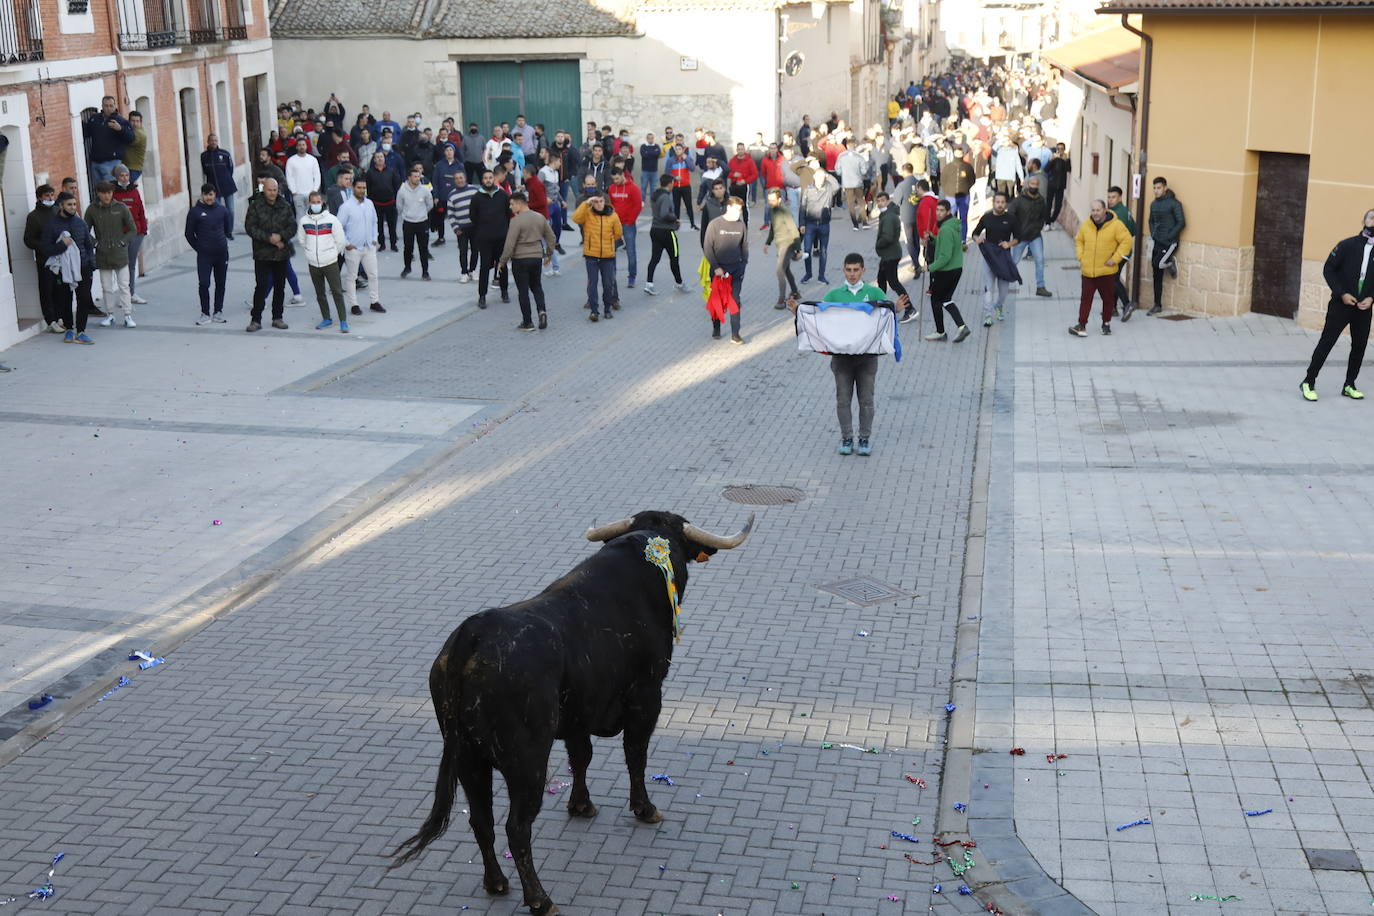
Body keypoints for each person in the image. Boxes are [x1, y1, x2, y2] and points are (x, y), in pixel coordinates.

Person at [787, 253, 909, 456]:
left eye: (856, 270)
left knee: (866, 400)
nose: (852, 274)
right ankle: (846, 438)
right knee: (843, 400)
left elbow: (885, 318)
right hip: (842, 359)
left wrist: (894, 310)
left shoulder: (875, 293)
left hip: (867, 359)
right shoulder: (833, 296)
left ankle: (864, 438)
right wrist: (800, 313)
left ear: (863, 271)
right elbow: (820, 321)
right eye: (849, 270)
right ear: (844, 270)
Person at [1300, 209, 1374, 402]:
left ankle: (1349, 384)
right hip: (1341, 305)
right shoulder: (1347, 245)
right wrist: (1342, 293)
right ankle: (1308, 381)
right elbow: (1329, 269)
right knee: (1327, 341)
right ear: (1364, 220)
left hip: (1363, 308)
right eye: (1372, 217)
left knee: (1359, 346)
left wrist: (1372, 298)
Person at [1069, 199, 1132, 337]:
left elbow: (1126, 241)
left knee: (1108, 299)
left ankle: (1106, 323)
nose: (1095, 213)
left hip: (1106, 271)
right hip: (1088, 271)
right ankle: (1082, 325)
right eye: (1093, 210)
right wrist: (1081, 256)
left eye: (1098, 210)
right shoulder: (1086, 225)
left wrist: (1115, 258)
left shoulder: (1116, 225)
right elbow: (1079, 240)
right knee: (1085, 299)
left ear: (1104, 210)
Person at [40, 192, 97, 344]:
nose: (73, 207)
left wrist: (91, 265)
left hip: (83, 267)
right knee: (65, 300)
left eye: (74, 204)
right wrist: (61, 245)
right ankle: (69, 329)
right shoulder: (51, 225)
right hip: (63, 269)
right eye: (69, 205)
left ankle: (81, 331)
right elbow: (45, 249)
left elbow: (88, 245)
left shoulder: (80, 223)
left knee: (83, 299)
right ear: (61, 206)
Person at [243, 177, 297, 332]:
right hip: (262, 254)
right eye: (269, 190)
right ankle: (256, 319)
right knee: (261, 286)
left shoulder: (285, 205)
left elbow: (292, 226)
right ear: (263, 190)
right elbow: (250, 227)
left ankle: (277, 317)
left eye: (274, 190)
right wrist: (269, 238)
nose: (272, 193)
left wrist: (281, 236)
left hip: (281, 253)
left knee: (280, 286)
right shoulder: (255, 206)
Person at [497, 191, 557, 331]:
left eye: (512, 204)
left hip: (520, 259)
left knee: (523, 291)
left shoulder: (516, 221)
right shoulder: (539, 217)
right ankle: (542, 311)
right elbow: (551, 237)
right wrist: (548, 254)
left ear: (519, 203)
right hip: (536, 257)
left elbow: (510, 244)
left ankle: (527, 322)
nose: (510, 207)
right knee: (537, 286)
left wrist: (503, 261)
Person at [85, 180, 137, 328]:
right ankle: (110, 315)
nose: (107, 196)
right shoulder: (92, 210)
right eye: (103, 193)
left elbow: (132, 229)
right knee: (106, 287)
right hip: (102, 254)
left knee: (124, 286)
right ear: (98, 194)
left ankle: (128, 315)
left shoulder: (121, 208)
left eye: (109, 192)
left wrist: (122, 242)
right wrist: (96, 243)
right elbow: (85, 230)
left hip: (120, 253)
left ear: (112, 193)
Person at [296, 190, 350, 332]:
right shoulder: (304, 222)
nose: (315, 205)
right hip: (313, 264)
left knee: (337, 292)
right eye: (313, 202)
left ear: (322, 203)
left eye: (318, 202)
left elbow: (340, 241)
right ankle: (326, 318)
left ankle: (343, 321)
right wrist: (310, 253)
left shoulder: (332, 220)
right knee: (320, 293)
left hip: (330, 262)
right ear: (309, 203)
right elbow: (301, 240)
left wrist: (332, 254)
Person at [703, 195, 749, 343]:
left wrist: (743, 265)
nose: (738, 213)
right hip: (718, 271)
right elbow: (707, 247)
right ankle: (716, 327)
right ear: (728, 208)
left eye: (740, 211)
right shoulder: (715, 224)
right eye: (736, 210)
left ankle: (735, 334)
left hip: (736, 270)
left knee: (735, 301)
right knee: (717, 300)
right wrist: (716, 267)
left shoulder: (741, 225)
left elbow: (744, 247)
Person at [185, 184, 232, 325]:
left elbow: (227, 229)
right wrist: (199, 247)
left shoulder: (223, 210)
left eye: (211, 194)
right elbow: (188, 234)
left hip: (222, 253)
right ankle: (205, 313)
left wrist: (221, 241)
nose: (209, 197)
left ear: (215, 195)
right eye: (206, 195)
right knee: (204, 283)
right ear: (202, 195)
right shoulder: (194, 212)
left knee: (221, 283)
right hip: (204, 255)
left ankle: (218, 311)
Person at [970, 190, 1019, 326]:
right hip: (989, 258)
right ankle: (988, 314)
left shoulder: (1011, 218)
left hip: (1004, 259)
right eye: (997, 202)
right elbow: (975, 233)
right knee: (988, 288)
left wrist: (1008, 243)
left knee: (1003, 290)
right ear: (993, 203)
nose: (1000, 205)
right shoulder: (986, 218)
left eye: (1002, 202)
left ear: (1006, 204)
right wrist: (977, 239)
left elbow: (1018, 237)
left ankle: (999, 305)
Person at [572, 191, 622, 321]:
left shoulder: (613, 216)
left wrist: (609, 244)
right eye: (596, 202)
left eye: (601, 201)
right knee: (592, 283)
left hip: (607, 256)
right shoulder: (587, 214)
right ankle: (594, 311)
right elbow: (575, 218)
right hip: (591, 255)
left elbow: (618, 233)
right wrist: (585, 203)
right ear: (592, 203)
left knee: (607, 284)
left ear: (605, 202)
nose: (599, 204)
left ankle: (607, 309)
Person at [925, 199, 970, 342]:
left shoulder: (945, 229)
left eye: (941, 210)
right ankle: (962, 327)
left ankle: (941, 332)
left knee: (935, 300)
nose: (938, 213)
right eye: (937, 210)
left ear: (948, 212)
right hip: (957, 268)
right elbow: (945, 244)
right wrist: (933, 239)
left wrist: (929, 267)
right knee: (945, 299)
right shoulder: (952, 225)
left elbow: (945, 256)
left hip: (946, 271)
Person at [339, 176, 385, 315]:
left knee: (373, 275)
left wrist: (374, 238)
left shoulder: (369, 203)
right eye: (359, 187)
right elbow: (338, 227)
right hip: (353, 248)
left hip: (369, 247)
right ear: (353, 188)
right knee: (352, 277)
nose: (362, 190)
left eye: (364, 188)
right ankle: (354, 304)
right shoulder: (346, 207)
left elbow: (374, 222)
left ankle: (374, 301)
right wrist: (347, 244)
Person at [470, 170, 512, 309]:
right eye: (485, 178)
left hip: (501, 237)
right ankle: (482, 296)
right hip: (485, 238)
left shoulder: (503, 195)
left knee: (502, 265)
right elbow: (473, 216)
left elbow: (508, 214)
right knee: (484, 267)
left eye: (490, 178)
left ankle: (504, 291)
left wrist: (503, 229)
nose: (488, 180)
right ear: (482, 180)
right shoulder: (477, 197)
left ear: (494, 179)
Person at [23, 184, 61, 333]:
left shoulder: (58, 211)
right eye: (47, 195)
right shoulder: (33, 216)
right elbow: (28, 240)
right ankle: (50, 320)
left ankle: (60, 317)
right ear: (40, 197)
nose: (50, 198)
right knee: (47, 289)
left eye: (52, 195)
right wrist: (45, 246)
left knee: (60, 289)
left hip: (60, 257)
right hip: (44, 259)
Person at [111, 165, 149, 306]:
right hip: (120, 234)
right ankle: (123, 295)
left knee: (131, 264)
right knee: (121, 265)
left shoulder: (135, 191)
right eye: (122, 175)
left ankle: (131, 293)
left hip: (136, 233)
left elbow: (141, 210)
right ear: (116, 177)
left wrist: (144, 230)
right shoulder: (113, 193)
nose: (125, 178)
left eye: (127, 175)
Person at [1008, 175, 1051, 297]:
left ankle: (1040, 287)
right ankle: (1004, 282)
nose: (1034, 186)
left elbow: (1043, 215)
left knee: (1040, 260)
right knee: (1014, 261)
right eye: (1032, 184)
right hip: (1020, 237)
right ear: (1027, 185)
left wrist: (1039, 226)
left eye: (1036, 184)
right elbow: (1010, 214)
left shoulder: (1041, 200)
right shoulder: (1019, 200)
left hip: (1035, 236)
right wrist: (1015, 229)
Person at [644, 174, 687, 296]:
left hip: (655, 230)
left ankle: (649, 284)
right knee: (674, 258)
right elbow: (664, 214)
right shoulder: (666, 197)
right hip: (667, 231)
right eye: (673, 182)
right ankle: (679, 283)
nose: (673, 184)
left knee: (655, 258)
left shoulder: (655, 195)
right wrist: (675, 219)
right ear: (670, 184)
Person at [1147, 176, 1185, 315]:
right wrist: (1153, 234)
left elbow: (1181, 222)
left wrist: (1170, 236)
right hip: (1157, 241)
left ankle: (1170, 262)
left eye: (1159, 188)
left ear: (1165, 188)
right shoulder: (1153, 204)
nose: (1156, 191)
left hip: (1170, 243)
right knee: (1156, 273)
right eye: (1154, 188)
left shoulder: (1174, 204)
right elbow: (1150, 220)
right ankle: (1157, 305)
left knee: (1158, 263)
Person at [799, 164, 838, 284]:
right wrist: (802, 224)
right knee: (806, 250)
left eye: (822, 176)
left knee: (824, 251)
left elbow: (837, 185)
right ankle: (808, 274)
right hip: (810, 224)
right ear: (814, 177)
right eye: (818, 176)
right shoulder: (808, 189)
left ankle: (821, 276)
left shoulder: (829, 188)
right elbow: (802, 207)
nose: (820, 179)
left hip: (824, 224)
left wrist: (827, 174)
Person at [763, 187, 801, 308]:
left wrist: (798, 249)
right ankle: (795, 292)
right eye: (769, 200)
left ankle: (781, 300)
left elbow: (794, 230)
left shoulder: (784, 212)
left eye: (773, 200)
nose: (770, 202)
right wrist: (767, 242)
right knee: (786, 270)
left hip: (788, 244)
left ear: (779, 199)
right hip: (780, 244)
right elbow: (773, 228)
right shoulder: (771, 210)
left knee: (780, 271)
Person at [83, 96, 133, 182]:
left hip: (112, 162)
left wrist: (120, 129)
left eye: (111, 106)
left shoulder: (121, 121)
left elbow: (131, 138)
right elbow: (86, 133)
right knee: (99, 190)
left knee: (111, 189)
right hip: (95, 161)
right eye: (106, 106)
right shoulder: (95, 118)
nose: (108, 108)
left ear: (115, 106)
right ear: (102, 106)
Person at [873, 191, 909, 310]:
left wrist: (878, 244)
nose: (880, 204)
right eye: (878, 201)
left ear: (888, 201)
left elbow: (887, 237)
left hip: (891, 254)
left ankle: (909, 308)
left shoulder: (888, 216)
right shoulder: (888, 213)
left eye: (883, 201)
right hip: (889, 254)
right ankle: (880, 304)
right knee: (881, 279)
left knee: (893, 283)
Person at [607, 169, 643, 288]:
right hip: (615, 224)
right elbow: (610, 205)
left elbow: (637, 205)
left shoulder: (633, 188)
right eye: (613, 179)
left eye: (617, 178)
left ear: (623, 175)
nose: (615, 181)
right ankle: (613, 275)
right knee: (612, 251)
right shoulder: (612, 188)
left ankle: (631, 277)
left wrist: (630, 220)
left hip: (628, 224)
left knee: (631, 251)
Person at [397, 166, 434, 280]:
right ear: (409, 178)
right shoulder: (402, 190)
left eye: (419, 176)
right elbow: (399, 205)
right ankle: (407, 267)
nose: (418, 179)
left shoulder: (424, 190)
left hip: (422, 222)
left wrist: (422, 213)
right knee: (408, 247)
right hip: (408, 222)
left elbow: (430, 204)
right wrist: (406, 214)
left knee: (423, 248)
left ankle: (425, 271)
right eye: (415, 176)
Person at [1107, 185, 1137, 320]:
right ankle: (1112, 308)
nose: (1110, 200)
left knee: (1112, 278)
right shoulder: (1125, 211)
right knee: (1114, 278)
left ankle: (1126, 305)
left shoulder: (1117, 214)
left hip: (1119, 252)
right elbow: (1134, 230)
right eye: (1109, 197)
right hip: (1123, 251)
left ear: (1120, 197)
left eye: (1113, 197)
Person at [447, 170, 479, 283]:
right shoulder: (452, 195)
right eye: (457, 178)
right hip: (461, 229)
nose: (459, 180)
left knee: (475, 250)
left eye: (461, 178)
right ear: (454, 180)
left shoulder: (474, 190)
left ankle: (472, 270)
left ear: (465, 178)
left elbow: (480, 207)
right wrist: (456, 228)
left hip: (475, 227)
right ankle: (464, 272)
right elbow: (450, 214)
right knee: (463, 251)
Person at [365, 151, 401, 251]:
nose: (380, 159)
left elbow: (396, 185)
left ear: (384, 158)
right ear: (374, 159)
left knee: (392, 225)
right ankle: (382, 244)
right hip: (376, 203)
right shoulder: (370, 173)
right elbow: (367, 188)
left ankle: (393, 244)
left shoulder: (391, 171)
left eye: (381, 157)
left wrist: (395, 198)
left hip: (390, 202)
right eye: (377, 157)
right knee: (378, 225)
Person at [202, 133, 239, 226]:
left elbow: (230, 169)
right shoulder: (204, 156)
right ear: (208, 142)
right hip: (213, 188)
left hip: (227, 186)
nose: (214, 142)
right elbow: (205, 171)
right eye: (212, 140)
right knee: (217, 211)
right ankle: (221, 230)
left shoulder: (225, 154)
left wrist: (226, 178)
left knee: (230, 210)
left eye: (215, 140)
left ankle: (229, 231)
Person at [835, 139, 868, 230]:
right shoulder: (859, 156)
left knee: (851, 204)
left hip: (847, 183)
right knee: (861, 202)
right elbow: (864, 171)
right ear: (855, 145)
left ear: (847, 146)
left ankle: (855, 224)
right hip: (858, 183)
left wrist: (844, 174)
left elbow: (837, 170)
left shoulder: (841, 156)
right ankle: (864, 223)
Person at [285, 138, 321, 216]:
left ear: (306, 146)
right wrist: (293, 191)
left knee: (312, 215)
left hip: (311, 193)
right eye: (299, 145)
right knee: (300, 215)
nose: (301, 147)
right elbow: (289, 177)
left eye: (303, 145)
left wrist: (314, 190)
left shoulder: (313, 160)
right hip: (298, 194)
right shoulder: (291, 160)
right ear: (296, 147)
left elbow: (317, 176)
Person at [727, 143, 758, 224]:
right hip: (734, 185)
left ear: (744, 150)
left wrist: (745, 181)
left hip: (744, 186)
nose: (740, 151)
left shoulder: (749, 161)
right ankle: (733, 222)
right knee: (733, 205)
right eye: (739, 149)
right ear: (737, 150)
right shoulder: (732, 161)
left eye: (742, 149)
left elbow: (755, 174)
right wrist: (733, 175)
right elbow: (727, 172)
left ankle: (745, 223)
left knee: (744, 205)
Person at [666, 145, 696, 229]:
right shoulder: (671, 160)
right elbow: (667, 173)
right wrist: (674, 177)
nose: (678, 151)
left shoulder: (687, 159)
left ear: (683, 150)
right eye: (676, 149)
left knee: (689, 205)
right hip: (675, 187)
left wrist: (686, 158)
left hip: (686, 186)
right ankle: (676, 224)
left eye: (679, 149)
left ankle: (692, 223)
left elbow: (692, 168)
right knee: (676, 206)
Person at [1044, 143, 1071, 227]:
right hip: (1051, 184)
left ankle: (1052, 220)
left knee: (1058, 206)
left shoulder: (1066, 159)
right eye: (1058, 149)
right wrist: (1051, 160)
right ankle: (1047, 223)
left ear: (1064, 150)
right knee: (1048, 204)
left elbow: (1069, 169)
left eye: (1061, 149)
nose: (1059, 151)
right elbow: (1046, 169)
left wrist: (1065, 160)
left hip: (1061, 186)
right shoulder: (1054, 159)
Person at [124, 110, 148, 186]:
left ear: (141, 122)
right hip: (129, 167)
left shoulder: (139, 133)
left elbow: (129, 140)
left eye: (137, 121)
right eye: (133, 121)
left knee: (126, 190)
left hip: (133, 168)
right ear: (129, 121)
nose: (135, 123)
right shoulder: (132, 131)